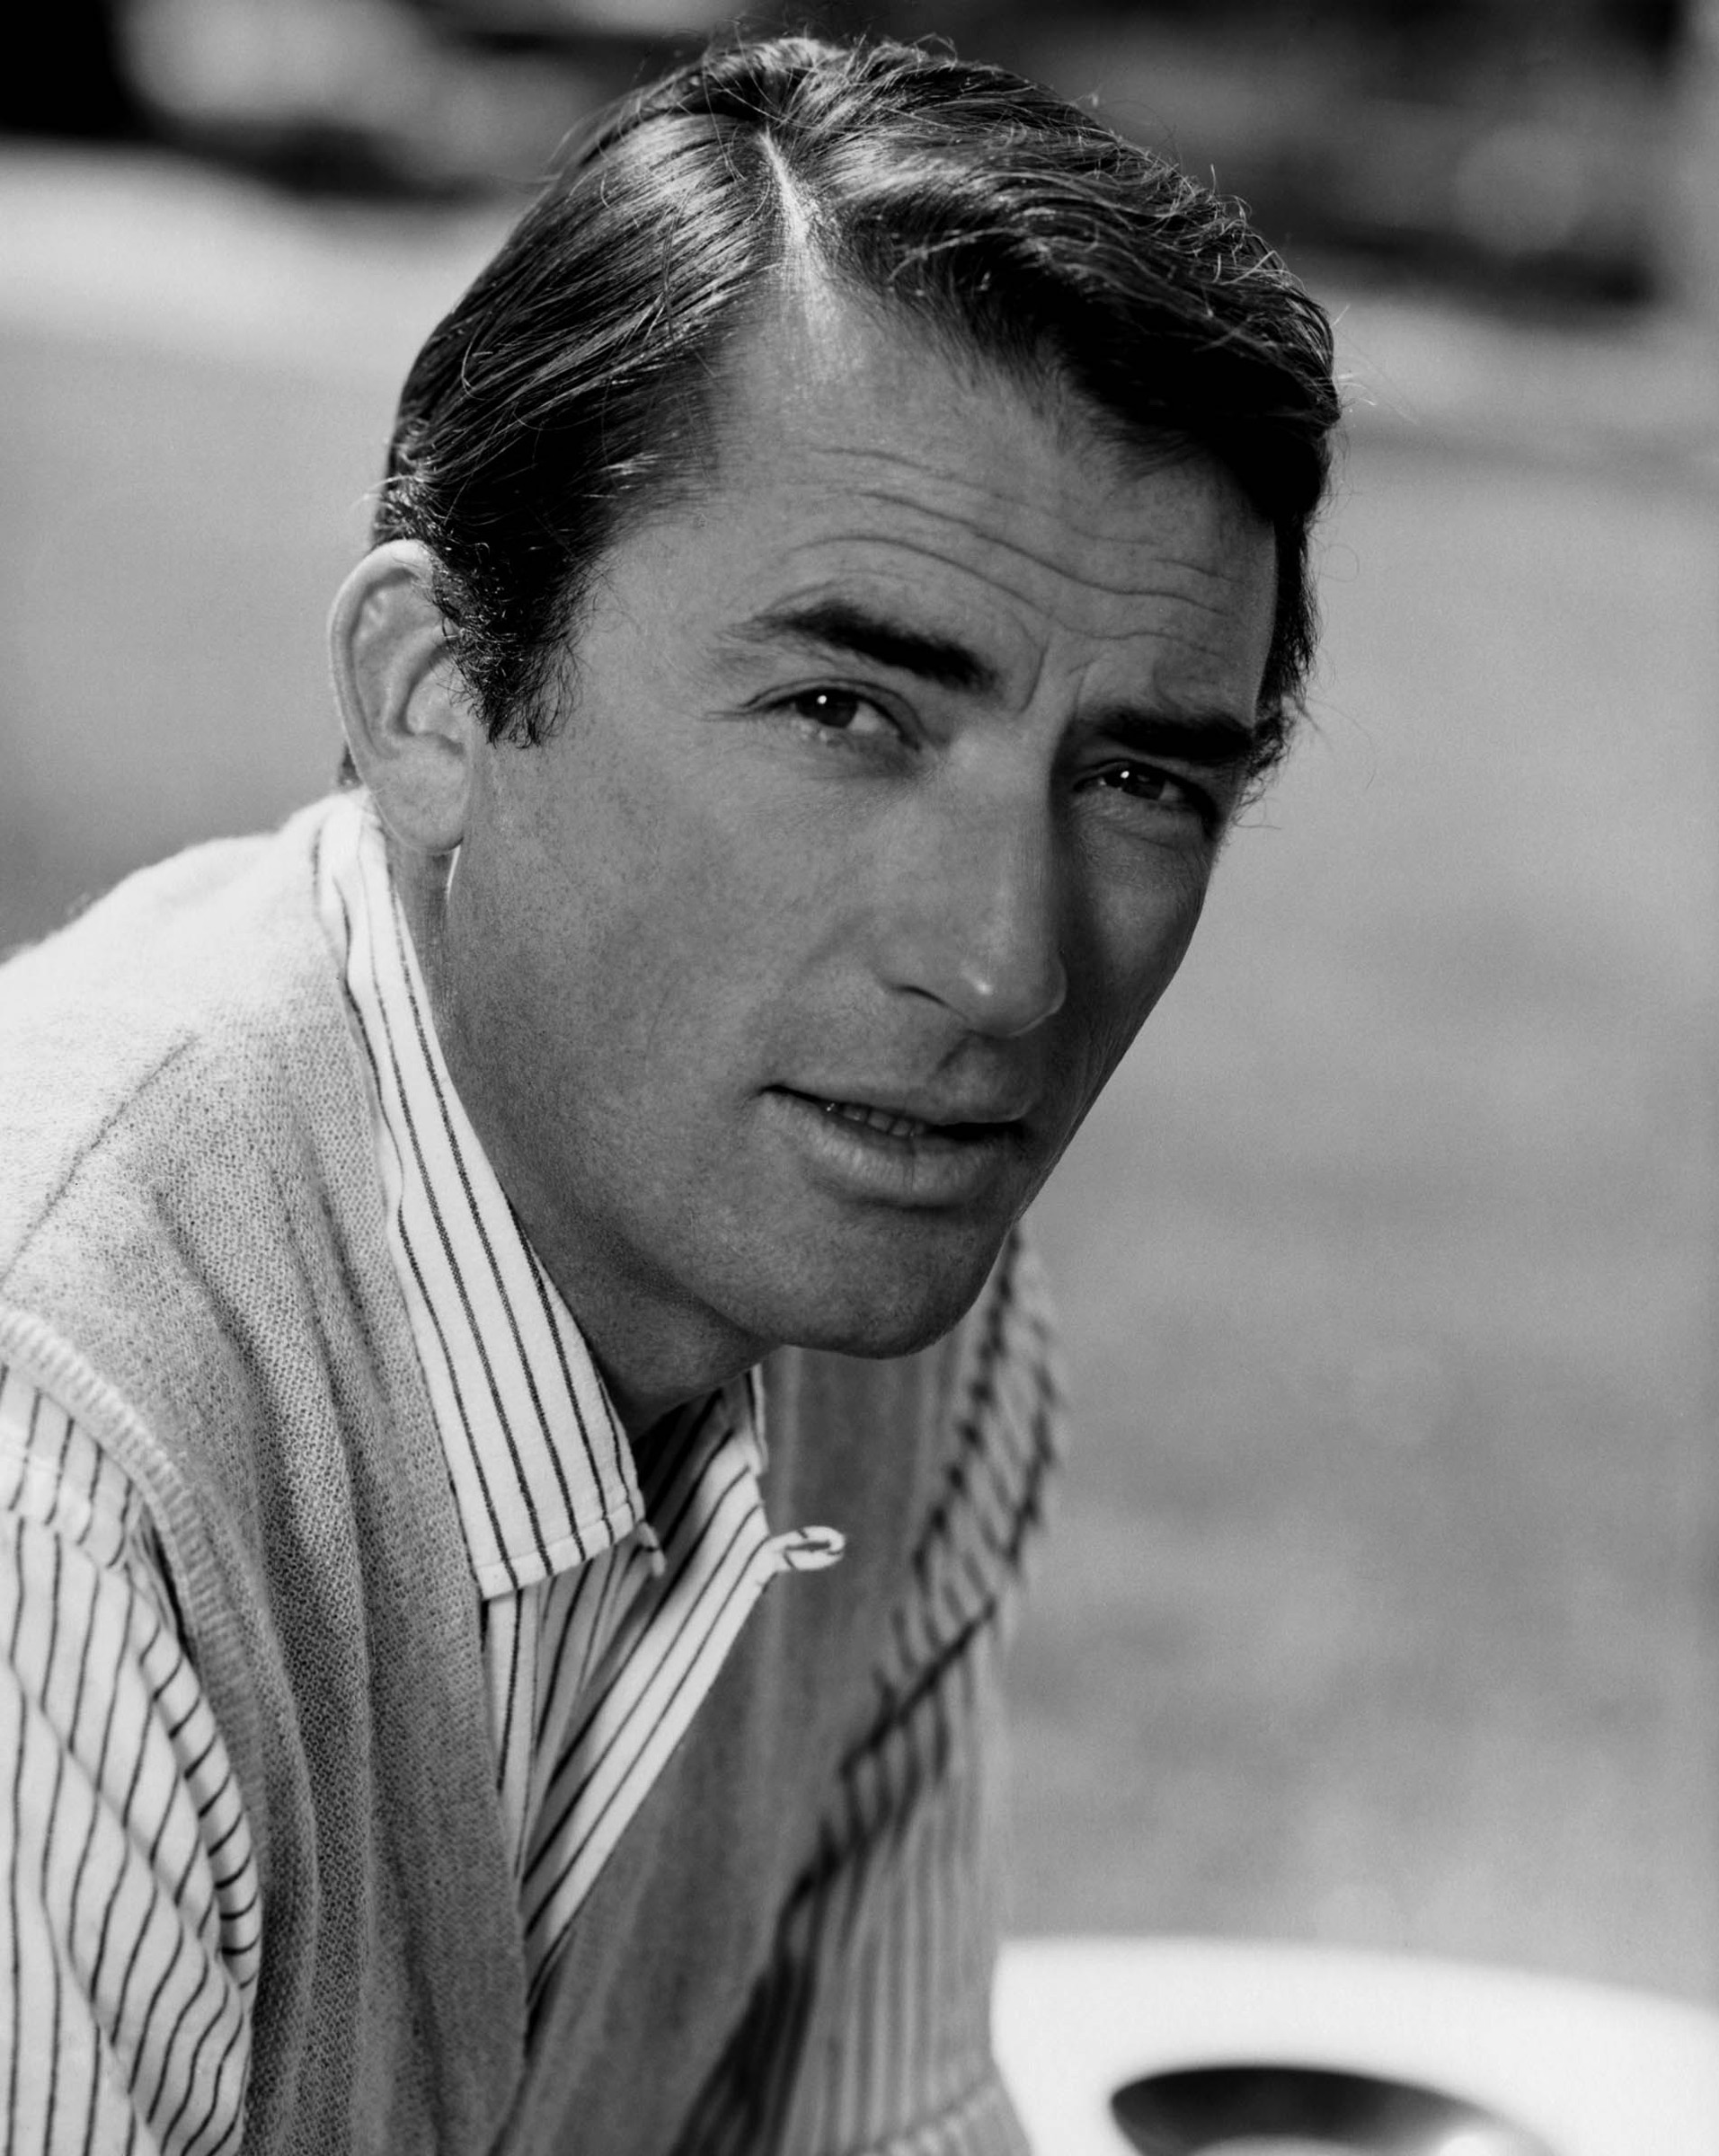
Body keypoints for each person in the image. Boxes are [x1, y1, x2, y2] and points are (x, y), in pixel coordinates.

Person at [0, 32, 1340, 2156]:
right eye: (846, 710)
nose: (1005, 971)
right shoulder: (64, 1464)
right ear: (437, 701)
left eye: (1139, 778)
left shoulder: (914, 1354)